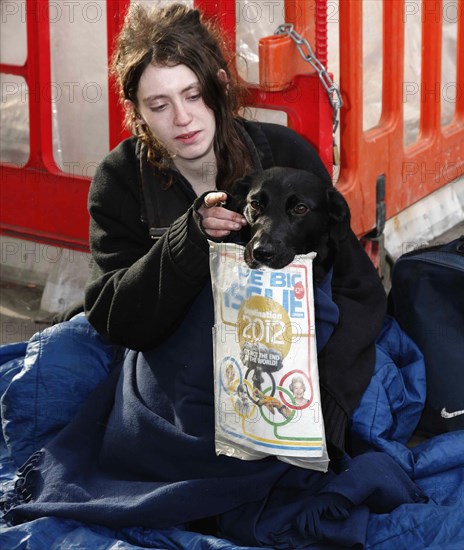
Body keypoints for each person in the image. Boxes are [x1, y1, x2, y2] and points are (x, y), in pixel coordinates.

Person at [5, 4, 404, 547]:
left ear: (219, 88)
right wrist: (190, 239)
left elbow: (355, 288)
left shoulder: (283, 158)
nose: (183, 119)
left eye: (193, 95)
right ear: (138, 113)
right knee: (59, 364)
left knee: (362, 403)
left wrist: (326, 399)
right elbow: (117, 317)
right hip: (171, 369)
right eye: (159, 105)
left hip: (276, 361)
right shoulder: (121, 178)